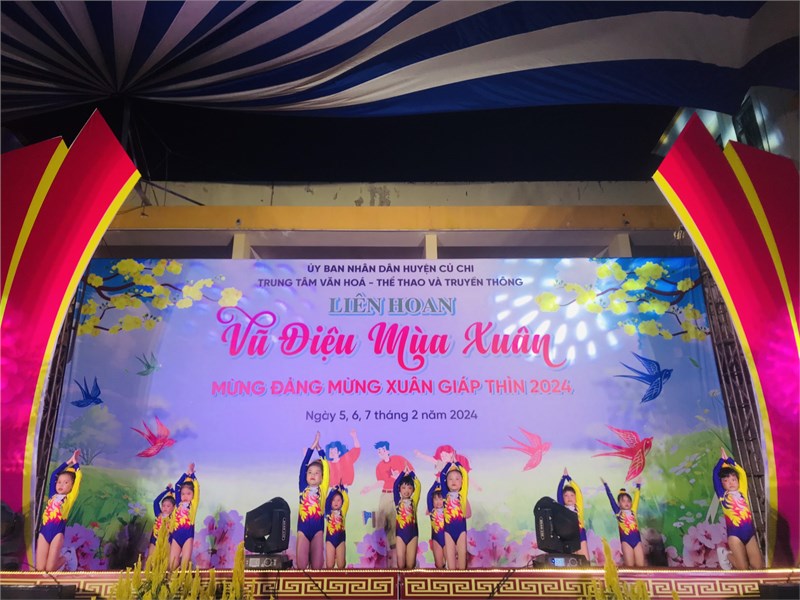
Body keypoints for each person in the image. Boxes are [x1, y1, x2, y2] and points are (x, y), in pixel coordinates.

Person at [360, 440, 413, 567]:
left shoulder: (399, 459)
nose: (381, 452)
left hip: (397, 495)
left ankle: (396, 560)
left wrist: (399, 477)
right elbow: (381, 482)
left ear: (388, 450)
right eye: (379, 451)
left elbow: (411, 473)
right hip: (385, 494)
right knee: (382, 525)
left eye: (383, 450)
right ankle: (384, 556)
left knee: (395, 525)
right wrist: (369, 488)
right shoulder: (379, 466)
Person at [713, 447, 763, 569]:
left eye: (733, 479)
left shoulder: (742, 492)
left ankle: (728, 555)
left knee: (758, 567)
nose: (731, 482)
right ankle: (726, 555)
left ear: (738, 481)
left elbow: (742, 473)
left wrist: (729, 460)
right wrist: (722, 461)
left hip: (750, 534)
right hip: (735, 536)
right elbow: (715, 474)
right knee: (743, 568)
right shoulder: (722, 496)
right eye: (726, 480)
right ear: (722, 484)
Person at [36, 450, 82, 571]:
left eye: (66, 482)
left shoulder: (69, 498)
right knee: (40, 569)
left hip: (57, 533)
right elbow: (54, 474)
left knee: (50, 568)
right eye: (59, 482)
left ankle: (67, 556)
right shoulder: (53, 494)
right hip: (44, 532)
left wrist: (76, 464)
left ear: (71, 486)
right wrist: (68, 462)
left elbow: (78, 478)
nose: (61, 485)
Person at [297, 431, 329, 569]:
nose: (312, 475)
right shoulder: (303, 487)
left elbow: (326, 468)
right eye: (310, 472)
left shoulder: (323, 489)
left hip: (318, 530)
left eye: (317, 473)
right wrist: (312, 447)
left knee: (317, 566)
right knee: (301, 565)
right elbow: (303, 465)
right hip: (303, 530)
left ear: (322, 477)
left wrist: (320, 449)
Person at [601, 477, 645, 567]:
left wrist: (638, 485)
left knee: (640, 565)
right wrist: (606, 485)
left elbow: (636, 498)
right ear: (619, 504)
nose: (626, 503)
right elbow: (611, 499)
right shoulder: (618, 513)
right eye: (623, 501)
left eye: (628, 501)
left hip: (637, 541)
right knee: (630, 566)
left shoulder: (633, 511)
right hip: (626, 542)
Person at [170, 463, 199, 569]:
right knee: (172, 565)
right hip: (176, 536)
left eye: (188, 493)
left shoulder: (193, 505)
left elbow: (197, 488)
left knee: (184, 566)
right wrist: (186, 474)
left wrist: (192, 476)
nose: (185, 496)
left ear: (193, 495)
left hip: (187, 536)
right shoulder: (178, 503)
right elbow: (177, 485)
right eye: (183, 494)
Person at [440, 461, 468, 569]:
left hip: (461, 531)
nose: (453, 481)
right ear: (446, 482)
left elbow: (465, 474)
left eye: (457, 479)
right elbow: (442, 475)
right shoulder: (445, 495)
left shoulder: (462, 494)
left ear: (461, 482)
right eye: (450, 479)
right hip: (448, 532)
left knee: (462, 564)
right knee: (451, 564)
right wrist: (449, 464)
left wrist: (457, 463)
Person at [557, 467, 588, 558]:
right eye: (566, 495)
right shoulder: (562, 508)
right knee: (572, 563)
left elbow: (578, 490)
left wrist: (568, 478)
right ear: (563, 498)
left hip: (580, 537)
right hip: (568, 539)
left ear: (575, 497)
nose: (569, 498)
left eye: (572, 495)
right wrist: (563, 478)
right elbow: (559, 492)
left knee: (585, 562)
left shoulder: (578, 508)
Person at [393, 467, 420, 570]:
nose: (406, 491)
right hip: (400, 535)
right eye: (403, 488)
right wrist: (403, 472)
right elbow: (395, 485)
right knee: (400, 564)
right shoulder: (397, 501)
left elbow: (419, 485)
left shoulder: (414, 501)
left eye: (409, 488)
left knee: (410, 565)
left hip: (413, 535)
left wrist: (411, 473)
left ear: (413, 490)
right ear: (400, 489)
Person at [324, 485, 349, 569]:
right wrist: (332, 490)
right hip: (330, 540)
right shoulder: (328, 512)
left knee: (341, 565)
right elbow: (327, 501)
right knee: (329, 565)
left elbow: (347, 501)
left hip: (340, 540)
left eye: (338, 500)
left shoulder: (343, 512)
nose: (336, 502)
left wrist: (343, 490)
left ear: (342, 502)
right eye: (334, 500)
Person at [149, 484, 176, 556]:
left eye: (168, 506)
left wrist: (173, 492)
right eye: (163, 505)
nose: (165, 508)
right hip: (155, 540)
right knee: (150, 557)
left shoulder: (173, 518)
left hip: (166, 542)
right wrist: (167, 490)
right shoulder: (158, 514)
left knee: (164, 559)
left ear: (173, 507)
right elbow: (156, 502)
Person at [426, 481, 446, 568]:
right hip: (436, 540)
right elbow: (429, 495)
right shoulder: (432, 511)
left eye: (440, 499)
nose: (438, 502)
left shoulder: (448, 511)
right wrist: (436, 482)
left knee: (449, 565)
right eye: (435, 499)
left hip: (447, 540)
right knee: (439, 565)